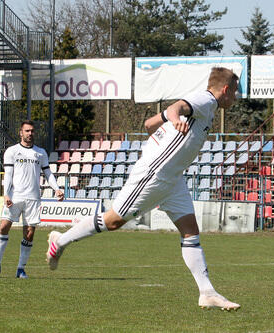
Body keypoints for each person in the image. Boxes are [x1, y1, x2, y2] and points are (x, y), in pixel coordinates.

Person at [46, 67, 241, 310]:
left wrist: (165, 122)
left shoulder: (207, 107)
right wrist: (174, 118)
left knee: (190, 231)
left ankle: (207, 292)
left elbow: (150, 124)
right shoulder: (205, 100)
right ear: (225, 90)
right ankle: (60, 241)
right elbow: (175, 109)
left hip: (173, 178)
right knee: (115, 221)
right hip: (155, 174)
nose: (236, 96)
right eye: (235, 91)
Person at [0, 120, 64, 278]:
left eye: (32, 131)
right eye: (27, 131)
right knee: (3, 227)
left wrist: (56, 189)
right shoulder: (12, 151)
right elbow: (8, 175)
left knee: (29, 234)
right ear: (20, 133)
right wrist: (6, 193)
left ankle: (21, 269)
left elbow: (47, 173)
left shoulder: (40, 152)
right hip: (15, 197)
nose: (30, 134)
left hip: (33, 198)